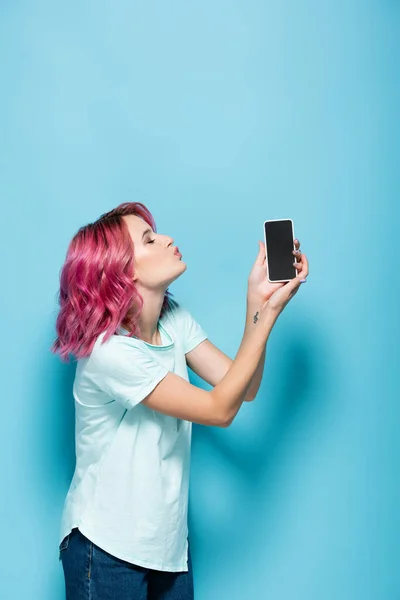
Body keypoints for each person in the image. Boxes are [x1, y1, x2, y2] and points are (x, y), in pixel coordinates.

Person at [52, 201, 309, 600]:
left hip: (167, 549)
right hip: (105, 547)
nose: (168, 239)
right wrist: (265, 314)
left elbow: (245, 386)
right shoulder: (110, 353)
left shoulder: (173, 318)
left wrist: (260, 305)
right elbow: (220, 410)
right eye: (150, 240)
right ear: (123, 270)